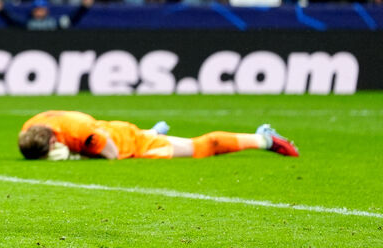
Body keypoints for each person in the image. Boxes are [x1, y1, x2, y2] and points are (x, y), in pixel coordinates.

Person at [18, 111, 299, 161]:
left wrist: (72, 158)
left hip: (130, 141)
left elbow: (113, 153)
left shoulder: (81, 133)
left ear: (54, 142)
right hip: (114, 128)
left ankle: (264, 139)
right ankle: (154, 130)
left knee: (203, 147)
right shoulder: (30, 129)